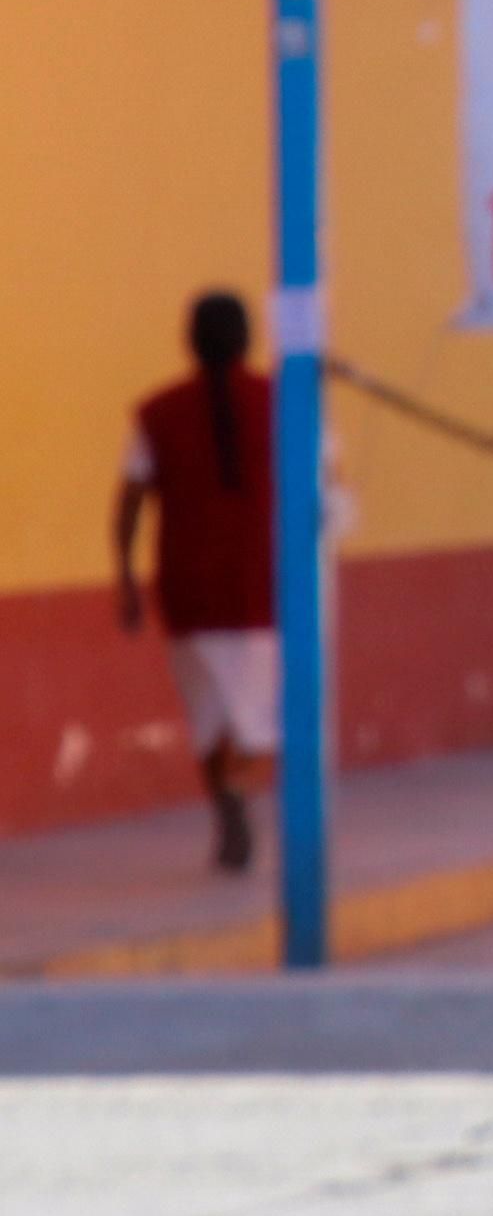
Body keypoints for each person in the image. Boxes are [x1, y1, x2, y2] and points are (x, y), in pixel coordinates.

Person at [111, 291, 280, 872]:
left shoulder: (156, 413)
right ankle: (239, 787)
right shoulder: (282, 404)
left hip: (188, 585)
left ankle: (226, 797)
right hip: (265, 586)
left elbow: (130, 500)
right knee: (262, 717)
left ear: (190, 340)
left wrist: (126, 576)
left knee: (209, 714)